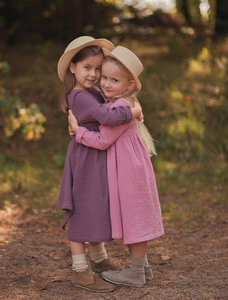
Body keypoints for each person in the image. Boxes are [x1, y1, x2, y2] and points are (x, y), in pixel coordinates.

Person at [68, 45, 164, 288]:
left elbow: (102, 140)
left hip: (128, 171)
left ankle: (135, 273)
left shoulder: (119, 108)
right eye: (105, 78)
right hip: (132, 167)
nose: (106, 84)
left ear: (130, 84)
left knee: (135, 218)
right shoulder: (125, 103)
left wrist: (78, 132)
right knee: (137, 216)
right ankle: (142, 269)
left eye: (114, 80)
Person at [57, 36, 143, 292]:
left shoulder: (92, 91)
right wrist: (134, 111)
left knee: (96, 205)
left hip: (95, 154)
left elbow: (109, 107)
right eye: (87, 68)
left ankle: (98, 259)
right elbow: (107, 115)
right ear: (72, 67)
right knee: (84, 209)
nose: (94, 74)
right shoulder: (80, 95)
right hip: (85, 158)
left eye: (98, 69)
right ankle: (80, 270)